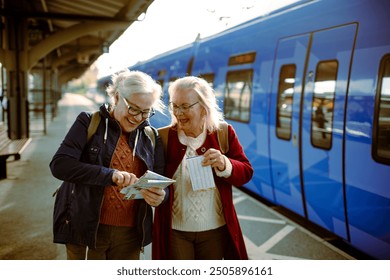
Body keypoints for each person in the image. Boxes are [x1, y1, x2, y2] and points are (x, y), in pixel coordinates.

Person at [50, 69, 167, 260]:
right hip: (88, 229)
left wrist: (160, 196)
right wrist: (109, 175)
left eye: (146, 112)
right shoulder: (89, 122)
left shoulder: (151, 136)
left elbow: (161, 180)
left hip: (130, 235)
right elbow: (60, 165)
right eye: (133, 108)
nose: (138, 117)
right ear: (118, 97)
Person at [152, 76, 253, 260]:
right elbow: (154, 180)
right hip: (176, 231)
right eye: (175, 106)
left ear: (204, 107)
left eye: (185, 106)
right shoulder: (164, 137)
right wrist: (153, 192)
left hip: (215, 230)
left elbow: (246, 172)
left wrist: (225, 163)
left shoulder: (223, 132)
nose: (178, 113)